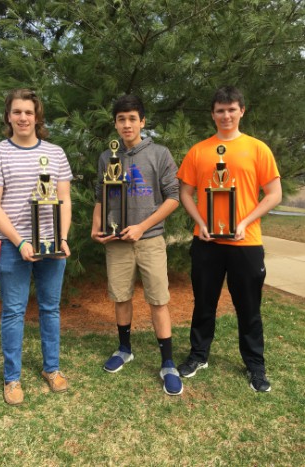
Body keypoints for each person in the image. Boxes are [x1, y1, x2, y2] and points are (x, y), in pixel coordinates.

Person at [177, 86, 282, 392]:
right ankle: (198, 355)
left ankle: (255, 366)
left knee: (248, 308)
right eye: (220, 110)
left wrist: (246, 221)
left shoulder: (257, 148)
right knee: (203, 304)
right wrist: (200, 222)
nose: (225, 115)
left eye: (231, 109)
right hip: (207, 242)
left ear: (242, 111)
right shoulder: (199, 150)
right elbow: (186, 192)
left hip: (245, 243)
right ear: (213, 114)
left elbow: (273, 193)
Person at [0, 89, 73, 405]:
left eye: (28, 112)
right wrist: (19, 241)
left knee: (49, 308)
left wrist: (62, 237)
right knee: (14, 311)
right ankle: (12, 378)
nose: (23, 118)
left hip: (51, 245)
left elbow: (64, 199)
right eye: (17, 112)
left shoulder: (56, 153)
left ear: (37, 117)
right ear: (8, 116)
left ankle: (52, 369)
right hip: (11, 245)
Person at [91, 94, 183, 396]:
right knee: (121, 297)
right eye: (121, 119)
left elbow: (174, 197)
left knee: (158, 300)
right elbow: (100, 196)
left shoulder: (159, 153)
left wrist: (142, 226)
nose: (126, 124)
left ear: (142, 122)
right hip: (116, 242)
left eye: (132, 118)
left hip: (150, 239)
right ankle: (124, 348)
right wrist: (97, 226)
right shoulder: (107, 157)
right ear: (115, 124)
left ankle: (167, 362)